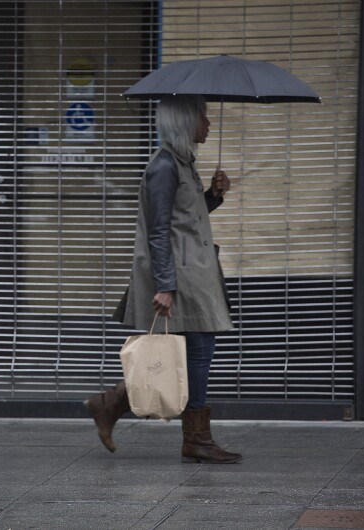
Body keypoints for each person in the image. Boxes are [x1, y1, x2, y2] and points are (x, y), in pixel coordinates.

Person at [85, 95, 242, 464]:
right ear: (185, 122)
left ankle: (110, 405)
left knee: (192, 352)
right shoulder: (163, 167)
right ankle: (196, 439)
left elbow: (187, 217)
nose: (208, 124)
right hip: (180, 277)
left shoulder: (183, 163)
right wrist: (165, 285)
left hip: (194, 275)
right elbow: (158, 232)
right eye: (203, 117)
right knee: (198, 350)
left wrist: (214, 196)